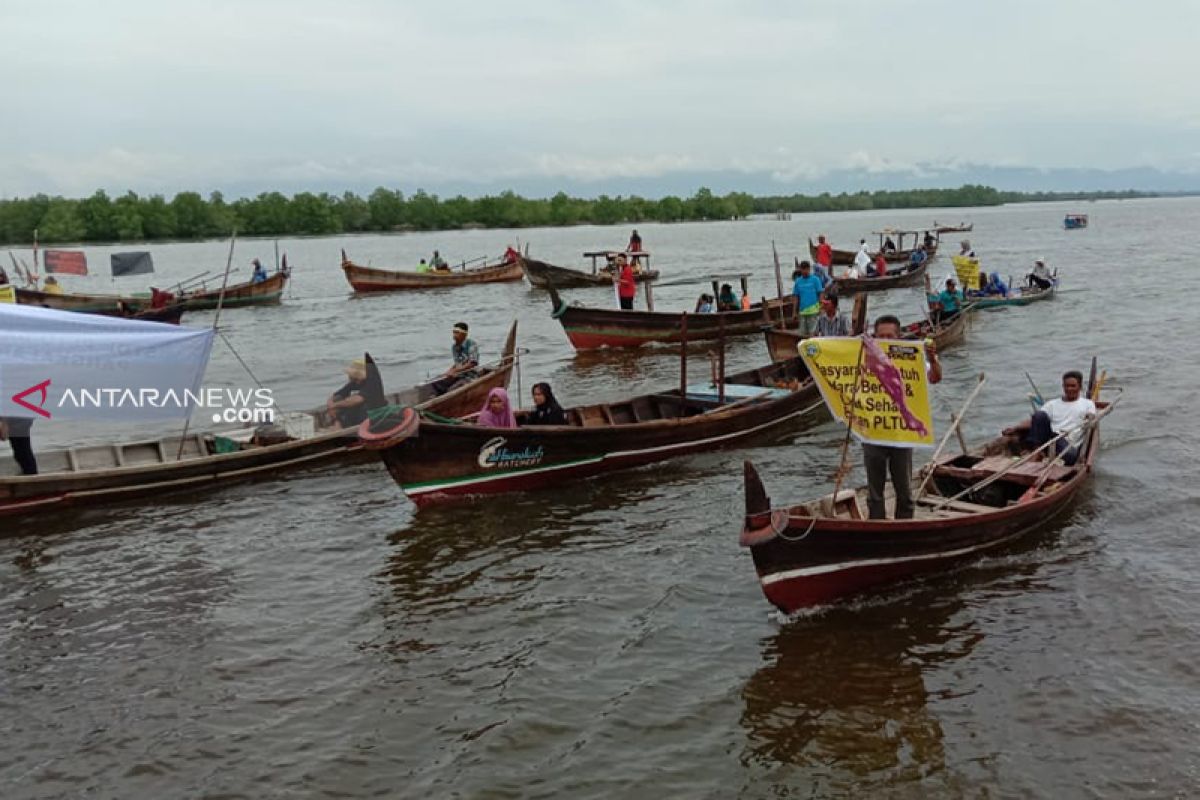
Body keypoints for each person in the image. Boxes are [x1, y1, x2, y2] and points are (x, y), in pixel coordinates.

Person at [863, 314, 941, 519]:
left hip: (902, 433)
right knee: (874, 493)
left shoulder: (910, 359)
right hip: (873, 432)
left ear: (899, 337)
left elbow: (934, 378)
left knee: (904, 491)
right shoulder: (864, 358)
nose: (886, 340)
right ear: (875, 337)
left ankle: (904, 526)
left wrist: (932, 359)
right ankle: (876, 529)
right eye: (881, 336)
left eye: (890, 335)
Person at [1002, 371, 1095, 466]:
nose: (1069, 389)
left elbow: (1092, 417)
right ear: (1063, 386)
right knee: (1039, 414)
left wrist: (1090, 418)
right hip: (1049, 438)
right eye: (1066, 386)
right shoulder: (1052, 404)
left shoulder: (1087, 404)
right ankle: (1037, 453)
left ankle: (1042, 453)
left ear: (1080, 387)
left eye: (1073, 386)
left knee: (1071, 456)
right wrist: (1016, 428)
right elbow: (1036, 421)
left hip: (1067, 444)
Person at [326, 355, 387, 429]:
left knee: (355, 406)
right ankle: (338, 424)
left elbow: (358, 399)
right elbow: (337, 394)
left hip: (374, 410)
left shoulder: (371, 383)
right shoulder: (354, 382)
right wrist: (330, 404)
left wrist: (335, 405)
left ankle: (351, 427)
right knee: (337, 400)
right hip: (357, 412)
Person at [432, 322, 480, 394]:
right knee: (435, 381)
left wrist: (455, 370)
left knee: (451, 390)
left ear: (464, 334)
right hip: (458, 375)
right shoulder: (454, 347)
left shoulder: (471, 344)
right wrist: (448, 372)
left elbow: (472, 363)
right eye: (454, 332)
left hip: (470, 376)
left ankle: (446, 394)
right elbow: (457, 363)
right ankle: (441, 394)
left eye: (457, 333)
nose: (454, 335)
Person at [792, 261, 823, 336]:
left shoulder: (815, 279)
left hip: (814, 311)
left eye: (806, 269)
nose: (805, 271)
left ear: (809, 269)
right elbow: (796, 298)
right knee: (802, 334)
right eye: (803, 269)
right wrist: (794, 312)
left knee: (813, 333)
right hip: (802, 312)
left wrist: (821, 308)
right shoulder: (798, 282)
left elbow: (820, 294)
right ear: (800, 270)